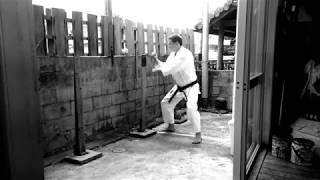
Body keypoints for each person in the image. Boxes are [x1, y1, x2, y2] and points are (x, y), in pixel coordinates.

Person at [152, 33, 202, 144]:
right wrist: (157, 61)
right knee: (165, 103)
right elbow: (167, 65)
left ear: (177, 43)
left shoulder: (185, 54)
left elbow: (171, 68)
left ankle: (198, 134)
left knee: (191, 108)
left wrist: (161, 68)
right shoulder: (173, 54)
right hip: (180, 87)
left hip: (191, 87)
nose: (168, 46)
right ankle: (170, 125)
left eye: (170, 44)